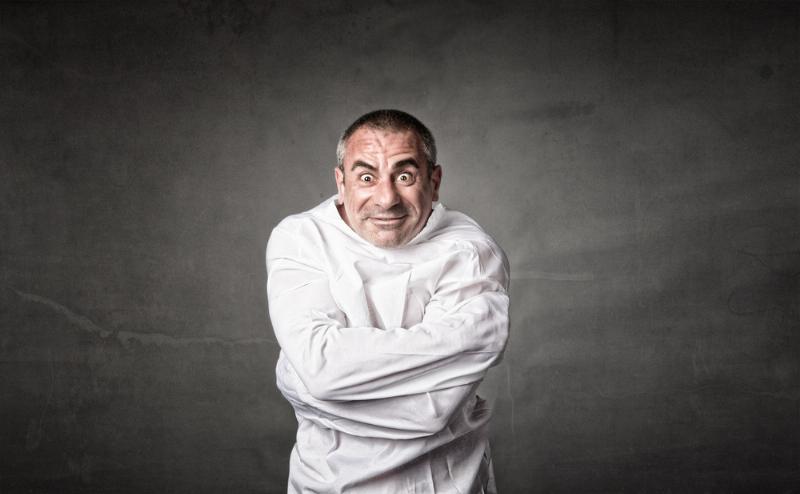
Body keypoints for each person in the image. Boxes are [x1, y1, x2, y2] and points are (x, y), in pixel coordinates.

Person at [266, 109, 510, 493]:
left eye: (404, 176)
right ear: (341, 182)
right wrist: (317, 375)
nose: (386, 199)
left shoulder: (471, 252)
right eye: (366, 177)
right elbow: (320, 368)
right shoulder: (301, 239)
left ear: (434, 181)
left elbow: (431, 412)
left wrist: (305, 385)